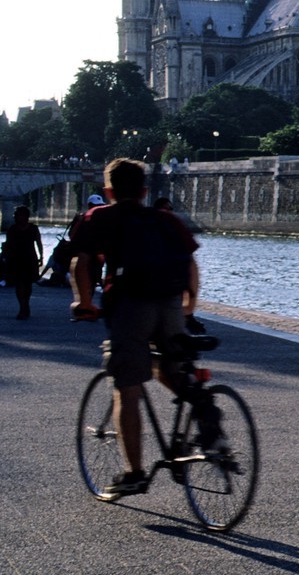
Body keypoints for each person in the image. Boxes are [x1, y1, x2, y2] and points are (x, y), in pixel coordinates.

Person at [70, 159, 210, 498]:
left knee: (127, 387)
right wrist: (189, 305)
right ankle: (207, 418)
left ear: (108, 191)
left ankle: (133, 473)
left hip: (130, 306)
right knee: (171, 369)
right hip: (170, 304)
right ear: (145, 191)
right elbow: (191, 265)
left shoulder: (99, 216)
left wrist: (84, 302)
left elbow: (81, 262)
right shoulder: (166, 219)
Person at [4, 206, 44, 318]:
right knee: (19, 283)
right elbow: (8, 245)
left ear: (24, 216)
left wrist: (41, 256)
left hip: (29, 259)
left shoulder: (32, 228)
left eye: (17, 215)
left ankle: (25, 303)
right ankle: (23, 306)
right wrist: (5, 258)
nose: (15, 217)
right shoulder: (12, 229)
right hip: (16, 259)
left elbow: (39, 243)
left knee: (27, 284)